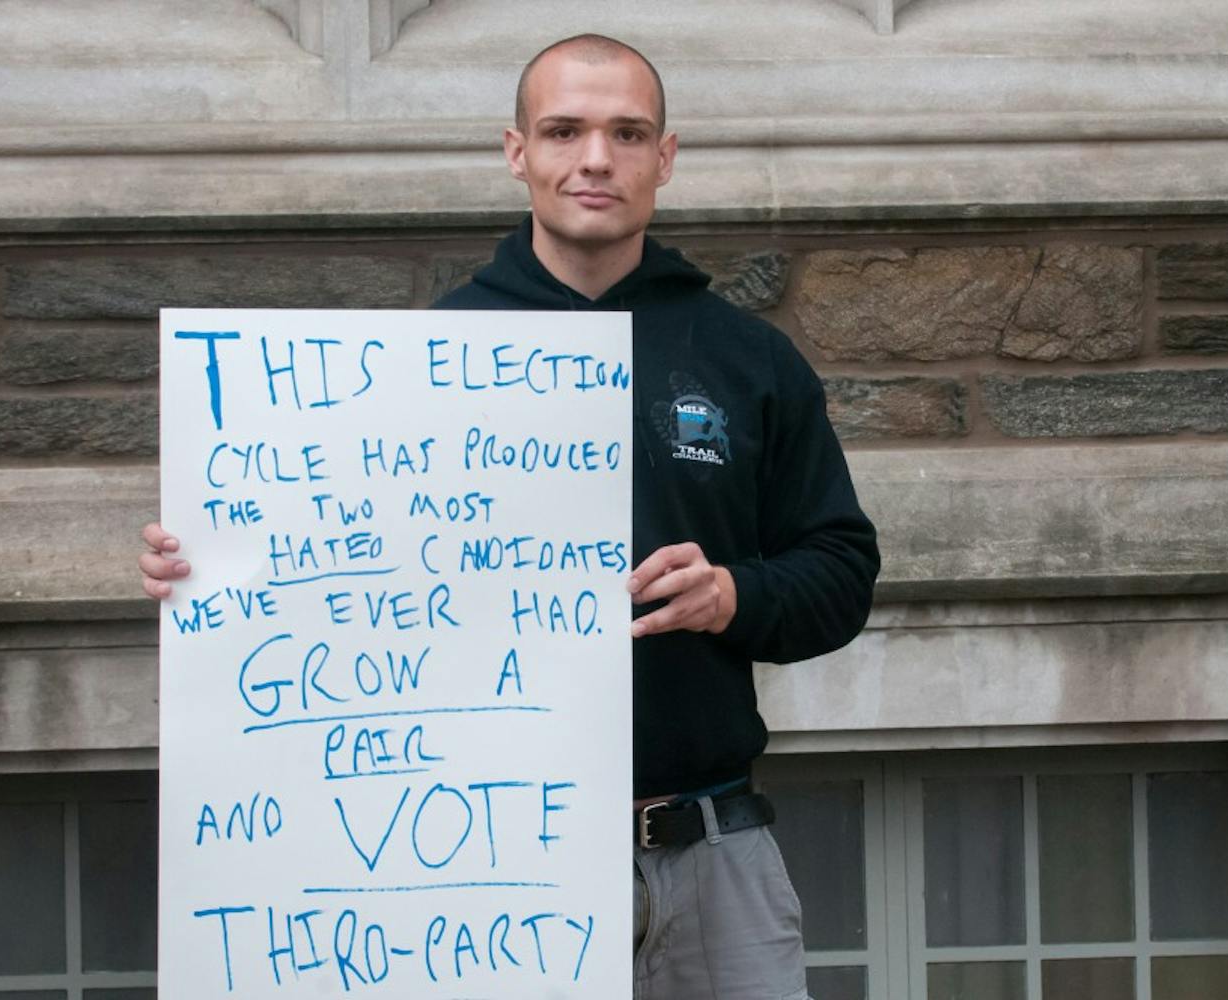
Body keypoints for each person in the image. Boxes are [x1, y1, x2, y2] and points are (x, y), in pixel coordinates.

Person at [141, 33, 879, 1000]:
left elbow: (842, 572)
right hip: (485, 871)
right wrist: (207, 568)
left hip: (711, 856)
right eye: (564, 131)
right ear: (516, 151)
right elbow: (331, 574)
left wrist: (733, 595)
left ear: (665, 157)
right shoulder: (415, 365)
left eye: (627, 133)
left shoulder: (747, 359)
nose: (596, 159)